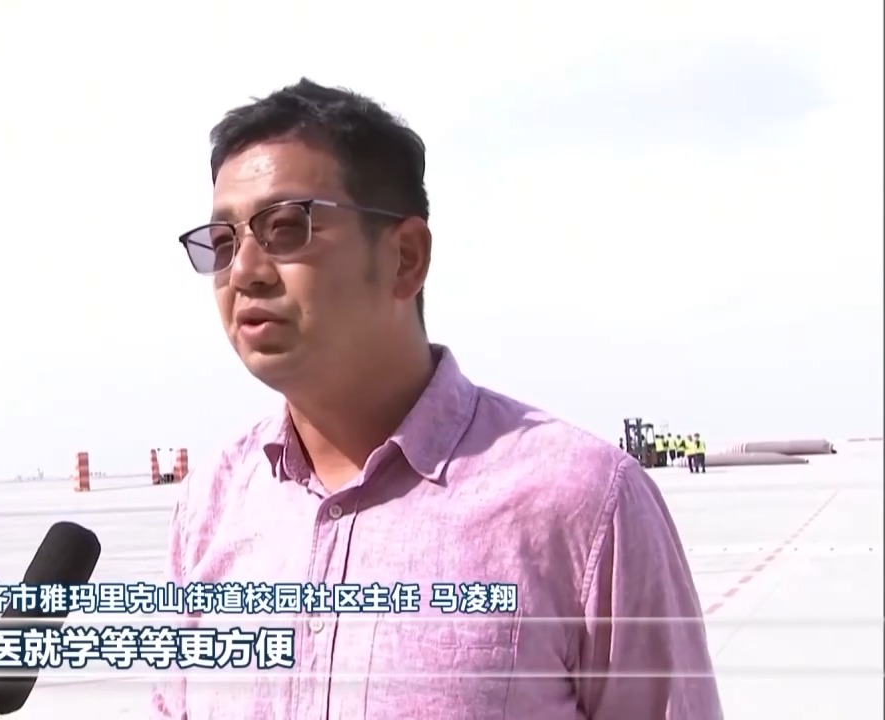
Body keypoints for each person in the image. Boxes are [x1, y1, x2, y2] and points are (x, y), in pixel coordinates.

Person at [157, 79, 721, 720]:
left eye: (286, 228)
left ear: (405, 257)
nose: (244, 272)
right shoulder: (213, 504)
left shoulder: (583, 503)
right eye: (223, 244)